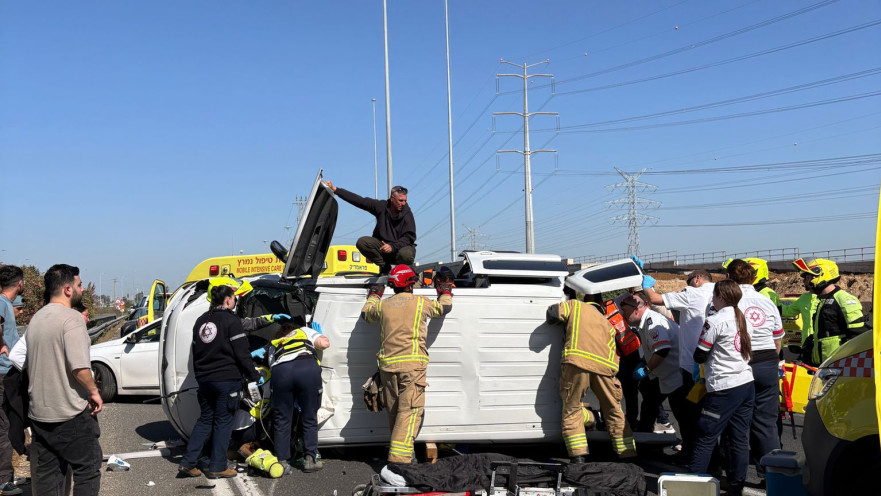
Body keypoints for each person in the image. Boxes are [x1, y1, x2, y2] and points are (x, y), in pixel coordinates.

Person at [360, 265, 452, 464]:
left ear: (392, 285)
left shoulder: (383, 305)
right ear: (411, 284)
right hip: (412, 368)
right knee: (409, 413)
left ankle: (406, 455)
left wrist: (375, 294)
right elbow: (444, 308)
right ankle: (400, 463)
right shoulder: (421, 303)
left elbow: (366, 314)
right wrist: (445, 289)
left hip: (387, 368)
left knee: (395, 414)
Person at [26, 264, 103, 496]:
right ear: (68, 289)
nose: (82, 289)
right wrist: (93, 391)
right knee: (87, 469)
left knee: (48, 476)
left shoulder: (36, 319)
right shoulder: (71, 319)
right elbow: (79, 368)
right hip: (69, 414)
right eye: (79, 285)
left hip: (40, 414)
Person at [178, 284, 261, 479]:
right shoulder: (231, 320)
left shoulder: (200, 321)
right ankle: (217, 466)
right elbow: (242, 353)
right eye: (234, 298)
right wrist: (254, 375)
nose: (235, 301)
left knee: (205, 419)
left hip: (205, 380)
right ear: (228, 300)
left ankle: (188, 462)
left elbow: (196, 353)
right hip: (226, 379)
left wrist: (200, 376)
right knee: (224, 422)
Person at [546, 284, 636, 462]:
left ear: (585, 298)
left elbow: (553, 314)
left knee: (571, 408)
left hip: (577, 362)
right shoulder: (607, 324)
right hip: (605, 368)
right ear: (601, 304)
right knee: (614, 410)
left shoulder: (575, 306)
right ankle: (627, 455)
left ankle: (578, 457)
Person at [690, 280, 755, 496]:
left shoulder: (715, 321)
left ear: (721, 297)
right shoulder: (743, 317)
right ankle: (736, 487)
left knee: (705, 436)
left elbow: (700, 353)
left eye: (714, 295)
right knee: (738, 438)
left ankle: (694, 487)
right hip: (745, 382)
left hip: (723, 386)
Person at [619, 293, 697, 462]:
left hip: (676, 374)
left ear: (637, 308)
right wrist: (643, 363)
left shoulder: (653, 322)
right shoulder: (644, 323)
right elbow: (650, 349)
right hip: (665, 374)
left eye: (624, 310)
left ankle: (692, 451)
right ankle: (645, 442)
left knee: (683, 414)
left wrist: (645, 369)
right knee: (649, 400)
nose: (623, 314)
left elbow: (662, 350)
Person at [725, 259, 783, 481]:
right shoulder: (766, 301)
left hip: (739, 362)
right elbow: (778, 339)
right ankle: (774, 477)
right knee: (766, 424)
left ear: (729, 278)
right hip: (767, 362)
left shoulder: (727, 302)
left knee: (734, 422)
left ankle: (734, 477)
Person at [639, 262, 715, 394]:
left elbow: (654, 299)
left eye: (688, 281)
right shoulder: (721, 291)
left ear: (697, 278)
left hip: (692, 363)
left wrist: (645, 284)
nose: (687, 285)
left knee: (689, 408)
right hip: (716, 361)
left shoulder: (692, 293)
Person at [267, 319, 330, 473]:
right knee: (309, 416)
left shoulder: (275, 343)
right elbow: (324, 344)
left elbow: (272, 365)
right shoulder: (304, 330)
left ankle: (282, 462)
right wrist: (321, 335)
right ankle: (310, 459)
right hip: (306, 368)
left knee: (282, 419)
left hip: (281, 372)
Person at [325, 181, 416, 274]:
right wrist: (335, 189)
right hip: (383, 248)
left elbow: (409, 237)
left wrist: (393, 247)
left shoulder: (407, 214)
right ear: (392, 198)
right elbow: (360, 201)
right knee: (362, 242)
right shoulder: (381, 206)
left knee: (406, 254)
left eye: (405, 200)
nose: (404, 203)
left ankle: (405, 270)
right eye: (400, 200)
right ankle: (384, 266)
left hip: (400, 248)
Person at [792, 258, 865, 366]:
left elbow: (859, 337)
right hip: (823, 366)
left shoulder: (844, 300)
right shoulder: (822, 301)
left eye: (808, 277)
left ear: (821, 274)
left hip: (839, 366)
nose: (805, 282)